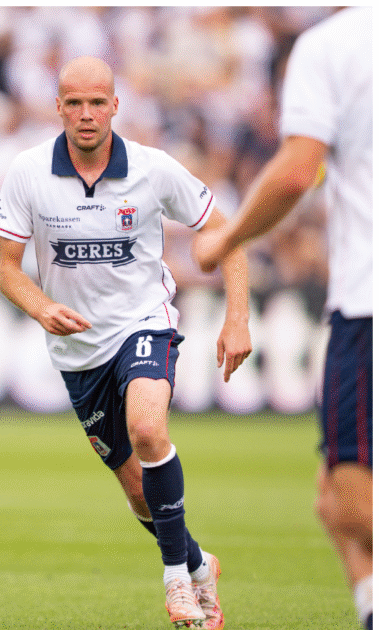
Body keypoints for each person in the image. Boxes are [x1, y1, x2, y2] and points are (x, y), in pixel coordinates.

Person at [0, 56, 251, 630]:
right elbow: (7, 269)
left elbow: (225, 233)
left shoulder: (153, 170)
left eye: (97, 102)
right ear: (58, 107)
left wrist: (238, 318)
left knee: (148, 428)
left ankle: (176, 584)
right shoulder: (27, 172)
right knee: (139, 494)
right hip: (78, 352)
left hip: (143, 322)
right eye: (75, 103)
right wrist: (41, 307)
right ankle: (197, 564)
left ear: (115, 106)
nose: (86, 114)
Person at [193, 7, 372, 629]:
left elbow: (299, 169)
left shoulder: (332, 46)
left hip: (369, 302)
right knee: (332, 500)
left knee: (350, 501)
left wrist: (226, 240)